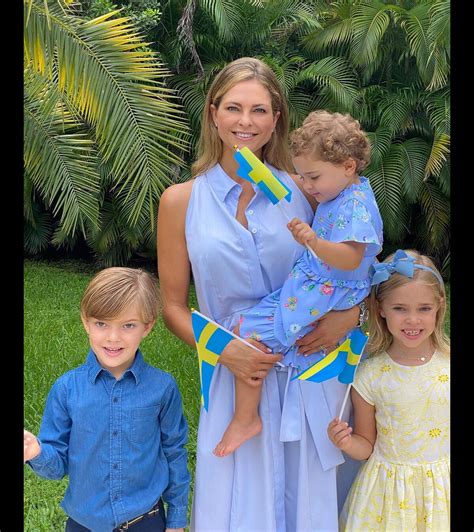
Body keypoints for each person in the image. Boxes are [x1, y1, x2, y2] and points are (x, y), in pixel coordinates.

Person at [157, 56, 367, 531]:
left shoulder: (310, 192)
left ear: (277, 119)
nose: (245, 122)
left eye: (259, 110)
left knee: (309, 505)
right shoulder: (181, 202)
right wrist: (224, 349)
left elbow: (355, 263)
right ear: (213, 113)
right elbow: (171, 305)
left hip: (310, 373)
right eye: (233, 108)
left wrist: (350, 317)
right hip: (234, 379)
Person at [214, 110, 383, 457]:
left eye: (313, 177)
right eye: (304, 177)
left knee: (247, 332)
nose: (306, 186)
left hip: (322, 292)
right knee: (256, 333)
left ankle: (246, 418)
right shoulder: (339, 193)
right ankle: (254, 412)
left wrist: (314, 242)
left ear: (349, 166)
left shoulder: (356, 205)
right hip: (314, 287)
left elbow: (352, 258)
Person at [23, 267, 190, 532]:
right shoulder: (67, 389)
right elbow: (56, 467)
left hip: (145, 521)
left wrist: (177, 520)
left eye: (128, 325)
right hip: (84, 524)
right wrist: (36, 452)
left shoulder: (162, 388)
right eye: (102, 323)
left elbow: (174, 452)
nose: (113, 337)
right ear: (86, 322)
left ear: (147, 327)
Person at [327, 250, 450, 530]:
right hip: (388, 495)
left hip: (441, 489)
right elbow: (366, 446)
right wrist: (346, 442)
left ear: (439, 306)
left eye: (424, 308)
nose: (412, 320)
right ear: (381, 308)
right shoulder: (370, 376)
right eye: (400, 309)